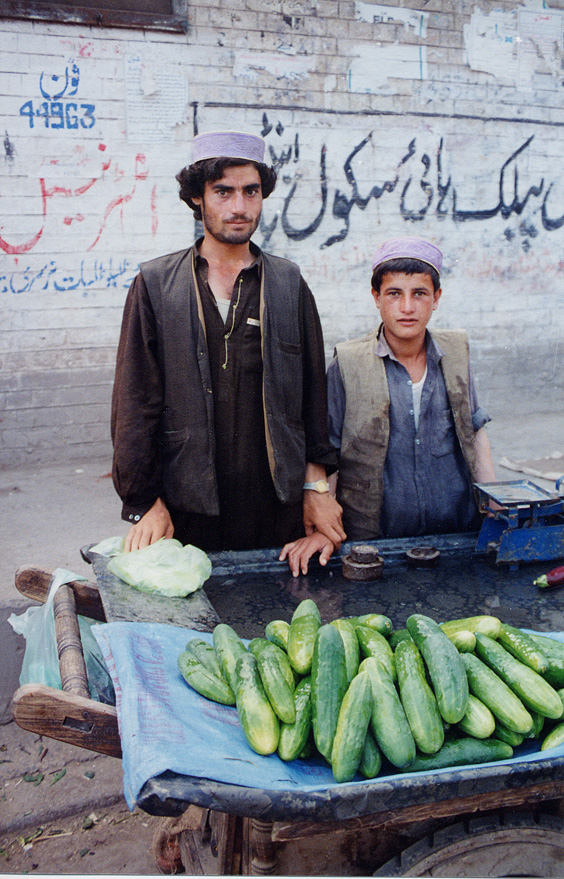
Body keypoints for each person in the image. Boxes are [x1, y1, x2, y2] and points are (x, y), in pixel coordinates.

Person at [111, 130, 344, 558]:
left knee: (279, 618)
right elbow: (134, 402)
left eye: (250, 192)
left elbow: (312, 397)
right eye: (223, 191)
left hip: (276, 506)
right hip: (186, 507)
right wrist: (143, 503)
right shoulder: (157, 285)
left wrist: (316, 488)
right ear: (198, 197)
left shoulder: (288, 283)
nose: (239, 207)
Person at [281, 236, 497, 576]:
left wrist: (495, 504)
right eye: (394, 294)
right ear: (377, 298)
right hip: (375, 540)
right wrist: (326, 527)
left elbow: (475, 428)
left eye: (419, 294)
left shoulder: (457, 352)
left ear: (436, 299)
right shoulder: (348, 363)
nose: (407, 307)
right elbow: (329, 449)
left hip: (456, 533)